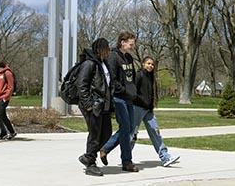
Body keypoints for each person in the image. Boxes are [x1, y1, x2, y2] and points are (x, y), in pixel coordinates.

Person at [100, 31, 138, 172]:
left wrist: (133, 92)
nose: (133, 47)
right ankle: (127, 162)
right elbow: (113, 81)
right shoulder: (113, 58)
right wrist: (125, 91)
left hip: (129, 98)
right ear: (122, 42)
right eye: (131, 44)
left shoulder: (129, 58)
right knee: (126, 129)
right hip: (119, 98)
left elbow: (131, 78)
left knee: (128, 129)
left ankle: (106, 148)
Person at [132, 56, 180, 167]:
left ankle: (165, 156)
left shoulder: (151, 77)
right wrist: (141, 101)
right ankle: (127, 158)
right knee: (132, 134)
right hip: (137, 109)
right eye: (148, 63)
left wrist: (152, 103)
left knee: (155, 131)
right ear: (143, 64)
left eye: (152, 64)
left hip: (148, 110)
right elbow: (133, 92)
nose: (150, 66)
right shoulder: (139, 75)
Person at [77, 37, 113, 177]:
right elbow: (82, 85)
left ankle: (87, 156)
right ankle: (90, 163)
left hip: (104, 105)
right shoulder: (89, 64)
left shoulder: (104, 64)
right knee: (95, 135)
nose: (109, 51)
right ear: (99, 49)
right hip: (93, 105)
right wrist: (88, 105)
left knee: (107, 133)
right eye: (107, 48)